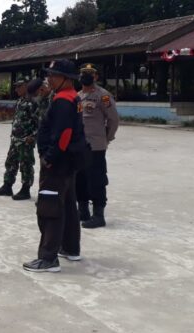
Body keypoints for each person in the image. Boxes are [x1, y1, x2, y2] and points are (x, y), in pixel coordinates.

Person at [23, 59, 87, 273]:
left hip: (57, 163)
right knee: (68, 205)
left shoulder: (62, 101)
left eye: (54, 75)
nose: (49, 79)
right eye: (49, 74)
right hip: (68, 162)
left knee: (49, 207)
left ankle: (48, 257)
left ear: (66, 79)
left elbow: (63, 135)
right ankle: (70, 247)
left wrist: (49, 157)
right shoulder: (72, 98)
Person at [76, 63, 120, 229]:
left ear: (96, 77)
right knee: (79, 179)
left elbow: (113, 119)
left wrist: (106, 138)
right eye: (83, 73)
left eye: (90, 73)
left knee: (96, 180)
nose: (85, 76)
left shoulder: (103, 96)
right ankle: (83, 210)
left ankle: (98, 215)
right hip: (80, 146)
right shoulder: (78, 95)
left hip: (95, 146)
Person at [0, 77, 39, 200]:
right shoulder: (20, 101)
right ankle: (7, 186)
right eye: (16, 86)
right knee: (10, 162)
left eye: (19, 86)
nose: (16, 89)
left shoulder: (33, 102)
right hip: (15, 139)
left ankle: (25, 189)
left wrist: (33, 136)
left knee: (26, 165)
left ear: (26, 86)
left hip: (25, 140)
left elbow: (40, 123)